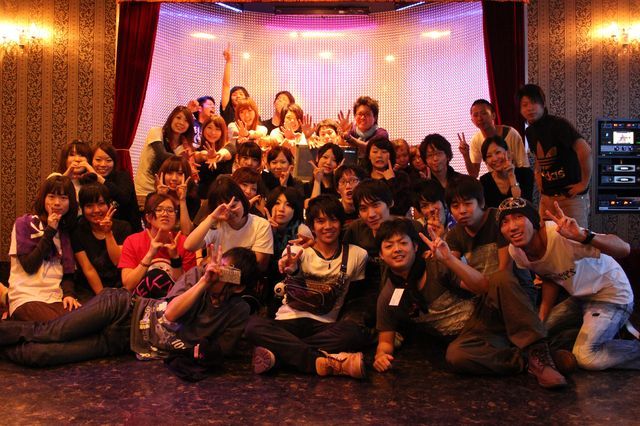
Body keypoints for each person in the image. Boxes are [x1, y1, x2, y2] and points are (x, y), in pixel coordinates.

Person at [0, 246, 259, 380]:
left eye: (227, 273)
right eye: (220, 265)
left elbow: (219, 352)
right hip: (122, 309)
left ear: (239, 286)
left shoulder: (238, 310)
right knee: (50, 332)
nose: (217, 272)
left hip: (121, 341)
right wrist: (204, 282)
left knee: (40, 355)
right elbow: (170, 314)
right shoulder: (197, 276)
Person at [498, 197, 640, 371]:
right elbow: (549, 276)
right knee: (536, 336)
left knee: (586, 357)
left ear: (536, 222)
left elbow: (624, 249)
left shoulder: (561, 235)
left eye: (519, 217)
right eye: (504, 222)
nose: (512, 227)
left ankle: (619, 341)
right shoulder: (516, 251)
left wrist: (583, 236)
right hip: (580, 298)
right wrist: (542, 317)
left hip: (612, 295)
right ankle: (611, 334)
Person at [245, 195, 369, 379]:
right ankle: (324, 362)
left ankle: (279, 356)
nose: (328, 226)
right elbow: (289, 265)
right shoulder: (297, 251)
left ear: (341, 223)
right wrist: (290, 268)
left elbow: (355, 296)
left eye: (333, 220)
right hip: (288, 321)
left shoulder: (358, 255)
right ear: (312, 226)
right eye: (320, 221)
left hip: (325, 325)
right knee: (252, 326)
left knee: (353, 333)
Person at [373, 219, 476, 373]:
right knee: (455, 356)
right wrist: (380, 356)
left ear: (415, 246)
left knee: (456, 356)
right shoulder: (388, 294)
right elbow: (385, 342)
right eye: (389, 246)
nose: (397, 249)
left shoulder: (436, 265)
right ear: (381, 255)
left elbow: (481, 286)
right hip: (456, 342)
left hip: (479, 323)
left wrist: (449, 260)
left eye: (403, 243)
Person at [7, 174, 80, 321]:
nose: (57, 203)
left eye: (63, 198)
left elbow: (68, 273)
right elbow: (29, 266)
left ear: (70, 202)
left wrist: (69, 294)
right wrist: (50, 231)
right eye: (51, 197)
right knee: (64, 324)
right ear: (43, 199)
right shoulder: (25, 223)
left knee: (83, 321)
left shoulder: (66, 232)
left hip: (56, 298)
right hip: (26, 297)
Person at [517, 84, 592, 227]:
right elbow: (539, 156)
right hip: (547, 198)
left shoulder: (558, 125)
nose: (530, 108)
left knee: (575, 237)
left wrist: (584, 183)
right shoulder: (529, 132)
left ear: (543, 104)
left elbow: (585, 151)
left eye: (534, 102)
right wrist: (538, 174)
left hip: (570, 198)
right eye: (525, 105)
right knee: (546, 237)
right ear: (520, 110)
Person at [184, 176, 273, 273]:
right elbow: (189, 246)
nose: (229, 212)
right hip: (216, 279)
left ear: (243, 201)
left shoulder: (261, 225)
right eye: (223, 209)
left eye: (233, 206)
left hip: (245, 280)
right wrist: (212, 217)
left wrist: (220, 270)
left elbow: (258, 267)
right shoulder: (216, 224)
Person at [119, 193, 196, 299]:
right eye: (159, 210)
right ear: (148, 217)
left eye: (170, 210)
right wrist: (150, 254)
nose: (165, 214)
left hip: (173, 303)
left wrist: (175, 258)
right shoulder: (132, 241)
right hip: (139, 302)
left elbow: (185, 288)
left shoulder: (185, 243)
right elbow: (128, 285)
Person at [72, 184, 132, 301]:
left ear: (109, 205)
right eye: (89, 206)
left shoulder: (124, 227)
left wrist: (108, 233)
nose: (96, 210)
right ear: (82, 208)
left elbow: (118, 261)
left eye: (101, 204)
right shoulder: (77, 231)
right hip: (90, 290)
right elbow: (88, 269)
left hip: (120, 287)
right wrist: (103, 298)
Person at [135, 106, 195, 199]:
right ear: (171, 118)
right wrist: (183, 160)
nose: (181, 122)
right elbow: (161, 155)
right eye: (178, 118)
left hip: (166, 192)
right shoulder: (156, 132)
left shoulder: (184, 147)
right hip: (144, 189)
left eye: (186, 121)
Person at [458, 99, 529, 179]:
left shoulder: (511, 134)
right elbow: (474, 174)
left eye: (484, 113)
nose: (480, 118)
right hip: (496, 182)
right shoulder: (476, 140)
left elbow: (524, 166)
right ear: (472, 121)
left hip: (517, 179)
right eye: (475, 115)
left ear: (493, 115)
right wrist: (466, 155)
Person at [91, 142, 142, 232]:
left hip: (126, 231)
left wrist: (101, 179)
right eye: (98, 160)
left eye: (108, 160)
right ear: (91, 161)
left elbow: (123, 198)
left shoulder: (123, 176)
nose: (103, 164)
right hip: (95, 231)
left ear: (114, 162)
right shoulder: (88, 180)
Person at [479, 135, 534, 208]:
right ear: (485, 161)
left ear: (508, 153)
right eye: (489, 156)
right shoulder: (484, 181)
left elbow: (521, 205)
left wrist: (511, 175)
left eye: (498, 152)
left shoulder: (525, 174)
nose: (494, 159)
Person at [365, 136, 412, 216]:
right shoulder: (363, 178)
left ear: (391, 155)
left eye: (384, 152)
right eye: (375, 152)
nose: (379, 155)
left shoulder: (401, 177)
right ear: (369, 156)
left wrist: (391, 181)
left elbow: (402, 208)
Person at [338, 96, 389, 167]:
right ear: (355, 116)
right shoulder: (350, 131)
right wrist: (342, 135)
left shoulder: (381, 133)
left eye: (367, 114)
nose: (362, 118)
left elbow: (369, 148)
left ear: (375, 117)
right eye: (360, 114)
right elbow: (341, 150)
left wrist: (350, 139)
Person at [194, 115, 235, 200]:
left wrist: (217, 155)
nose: (213, 132)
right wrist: (207, 155)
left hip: (223, 197)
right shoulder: (196, 149)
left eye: (217, 129)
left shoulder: (229, 147)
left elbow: (225, 153)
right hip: (201, 197)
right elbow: (200, 155)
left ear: (223, 132)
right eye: (209, 128)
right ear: (203, 128)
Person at [155, 155, 198, 235]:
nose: (174, 178)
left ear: (187, 176)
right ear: (163, 175)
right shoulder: (152, 198)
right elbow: (154, 228)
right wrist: (160, 198)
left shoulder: (193, 200)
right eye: (170, 173)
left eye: (180, 173)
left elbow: (186, 232)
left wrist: (182, 200)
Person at [220, 44, 250, 125]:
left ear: (246, 97)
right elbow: (226, 85)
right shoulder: (228, 111)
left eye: (241, 94)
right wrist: (228, 62)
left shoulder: (251, 113)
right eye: (234, 94)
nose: (238, 96)